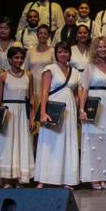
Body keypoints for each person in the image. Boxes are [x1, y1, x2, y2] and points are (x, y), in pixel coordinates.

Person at [35, 42, 81, 189]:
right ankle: (43, 178)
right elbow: (44, 92)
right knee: (50, 142)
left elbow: (76, 94)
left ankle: (66, 178)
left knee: (67, 142)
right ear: (56, 54)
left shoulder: (75, 72)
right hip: (53, 108)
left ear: (70, 54)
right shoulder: (50, 69)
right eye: (60, 52)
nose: (63, 54)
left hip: (70, 109)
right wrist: (42, 112)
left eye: (66, 52)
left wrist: (79, 111)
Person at [0, 46, 35, 188]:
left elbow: (32, 97)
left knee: (22, 143)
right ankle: (7, 179)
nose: (19, 60)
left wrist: (32, 118)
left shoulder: (28, 75)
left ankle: (20, 177)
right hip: (8, 113)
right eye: (16, 57)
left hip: (23, 112)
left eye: (21, 57)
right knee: (7, 144)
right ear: (10, 59)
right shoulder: (3, 76)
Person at [78, 37, 106, 190]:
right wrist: (82, 109)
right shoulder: (90, 67)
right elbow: (84, 89)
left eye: (105, 47)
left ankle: (104, 177)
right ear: (96, 49)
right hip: (94, 103)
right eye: (100, 47)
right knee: (93, 140)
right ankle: (93, 177)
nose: (103, 49)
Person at [23, 24, 54, 106]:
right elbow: (25, 70)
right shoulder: (30, 52)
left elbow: (55, 70)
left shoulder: (52, 51)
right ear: (37, 35)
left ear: (48, 36)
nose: (42, 35)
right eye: (40, 33)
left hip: (47, 85)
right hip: (33, 85)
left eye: (45, 33)